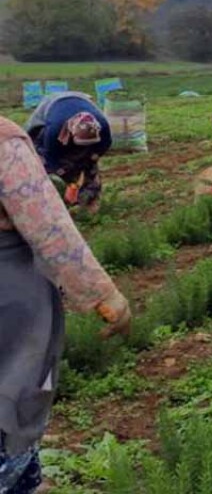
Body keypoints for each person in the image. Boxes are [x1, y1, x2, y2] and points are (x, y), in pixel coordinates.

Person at [0, 116, 131, 494]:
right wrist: (104, 296)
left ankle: (27, 478)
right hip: (9, 297)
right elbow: (51, 229)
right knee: (14, 392)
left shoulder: (93, 134)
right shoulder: (5, 143)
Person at [23, 92, 113, 215]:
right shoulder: (54, 128)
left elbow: (105, 143)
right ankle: (47, 203)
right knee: (34, 150)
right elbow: (51, 155)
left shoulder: (102, 124)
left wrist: (92, 158)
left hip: (82, 99)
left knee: (88, 165)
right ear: (70, 133)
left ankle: (88, 201)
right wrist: (63, 174)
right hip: (53, 103)